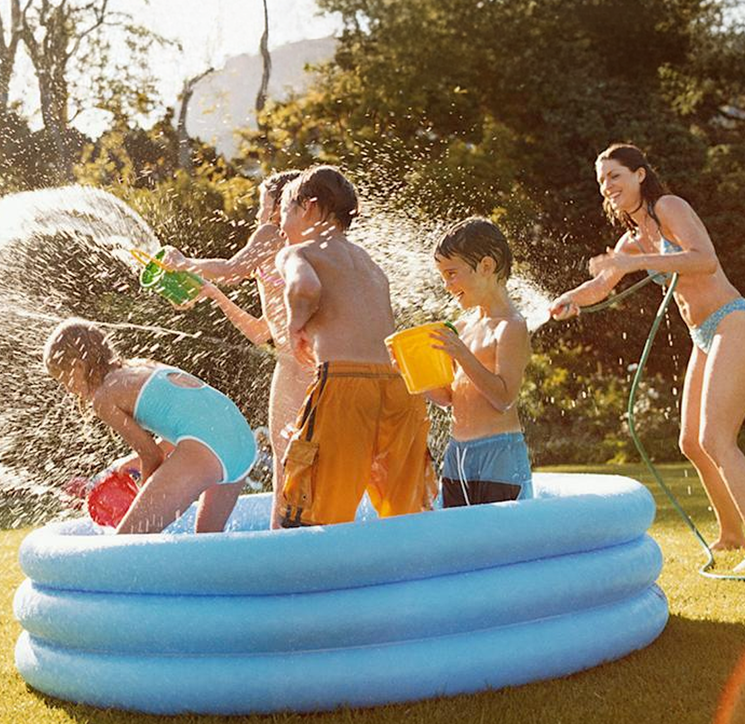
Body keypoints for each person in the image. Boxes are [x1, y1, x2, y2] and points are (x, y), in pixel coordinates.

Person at [549, 143, 745, 569]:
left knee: (716, 439)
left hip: (733, 322)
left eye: (614, 175)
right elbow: (601, 284)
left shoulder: (670, 207)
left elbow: (705, 261)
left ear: (639, 174)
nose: (607, 186)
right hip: (703, 334)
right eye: (602, 181)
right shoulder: (631, 242)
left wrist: (634, 263)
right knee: (691, 441)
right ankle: (730, 535)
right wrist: (569, 299)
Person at [275, 166, 435, 527]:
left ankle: (316, 581)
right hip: (398, 387)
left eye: (284, 210)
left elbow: (304, 288)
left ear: (310, 209)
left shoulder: (298, 253)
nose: (279, 223)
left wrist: (295, 325)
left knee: (313, 514)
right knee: (405, 515)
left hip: (346, 386)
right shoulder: (369, 263)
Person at [162, 169, 308, 527]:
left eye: (262, 206)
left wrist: (185, 263)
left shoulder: (274, 233)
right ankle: (302, 536)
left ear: (278, 207)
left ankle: (281, 542)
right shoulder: (294, 250)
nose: (258, 216)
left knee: (287, 458)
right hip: (299, 361)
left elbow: (233, 267)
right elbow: (262, 333)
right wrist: (214, 294)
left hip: (296, 367)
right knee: (298, 457)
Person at [43, 318, 256, 534]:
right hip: (242, 439)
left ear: (79, 367)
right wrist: (132, 461)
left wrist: (141, 499)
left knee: (128, 542)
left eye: (64, 380)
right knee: (208, 541)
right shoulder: (141, 366)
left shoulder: (104, 397)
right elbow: (193, 420)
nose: (69, 390)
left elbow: (152, 456)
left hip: (209, 446)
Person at [421, 218, 533, 507]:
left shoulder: (511, 326)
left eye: (452, 273)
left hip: (499, 452)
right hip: (458, 451)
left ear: (486, 266)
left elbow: (503, 397)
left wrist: (462, 354)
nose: (447, 285)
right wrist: (415, 374)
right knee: (457, 540)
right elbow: (448, 397)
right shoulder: (464, 326)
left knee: (502, 540)